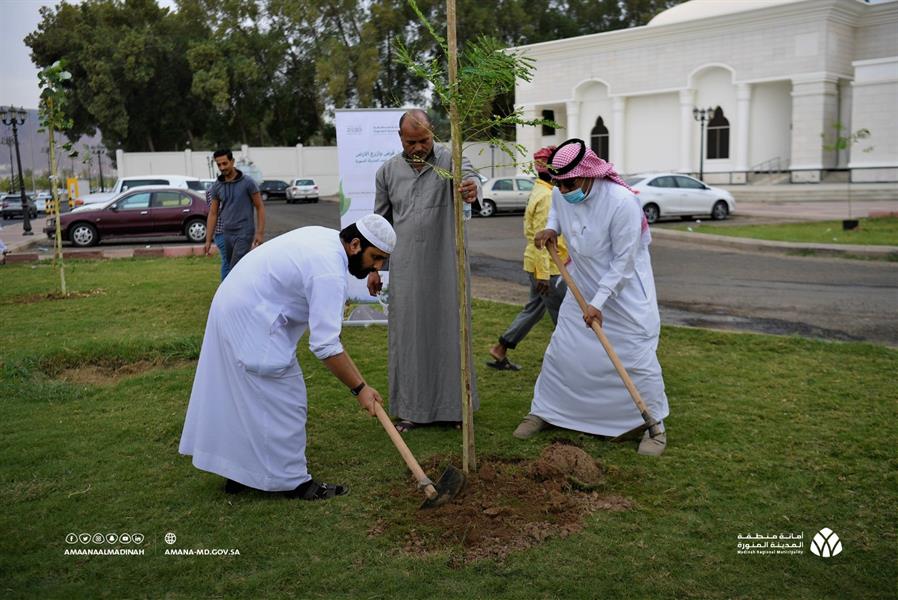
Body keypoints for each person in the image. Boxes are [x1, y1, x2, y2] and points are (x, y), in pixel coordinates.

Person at [180, 214, 395, 499]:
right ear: (355, 245)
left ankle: (241, 475)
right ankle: (294, 483)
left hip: (235, 304)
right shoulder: (329, 271)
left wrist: (363, 385)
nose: (377, 267)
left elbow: (331, 342)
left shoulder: (328, 240)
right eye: (376, 258)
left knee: (247, 399)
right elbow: (325, 346)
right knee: (287, 400)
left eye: (382, 261)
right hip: (249, 315)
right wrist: (360, 389)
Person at [514, 138, 670, 456]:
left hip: (624, 295)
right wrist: (551, 230)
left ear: (589, 175)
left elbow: (623, 262)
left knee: (636, 360)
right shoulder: (561, 193)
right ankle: (546, 411)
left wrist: (598, 302)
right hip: (581, 287)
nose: (563, 190)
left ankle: (653, 425)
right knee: (562, 353)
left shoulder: (622, 203)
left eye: (569, 183)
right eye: (558, 183)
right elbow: (558, 215)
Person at [367, 109, 481, 433]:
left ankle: (456, 409)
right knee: (409, 337)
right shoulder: (387, 172)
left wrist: (471, 188)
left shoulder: (451, 160)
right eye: (411, 142)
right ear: (400, 138)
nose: (418, 148)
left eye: (424, 140)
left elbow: (470, 177)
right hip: (406, 269)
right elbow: (380, 225)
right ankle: (411, 410)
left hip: (447, 264)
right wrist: (375, 268)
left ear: (433, 133)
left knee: (451, 332)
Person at [487, 146, 569, 371]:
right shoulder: (548, 196)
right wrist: (543, 275)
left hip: (539, 265)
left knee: (534, 310)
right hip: (547, 269)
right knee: (565, 318)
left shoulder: (541, 189)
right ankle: (563, 363)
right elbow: (542, 239)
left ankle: (501, 347)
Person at [204, 149, 265, 277]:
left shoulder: (248, 182)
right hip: (227, 233)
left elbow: (260, 207)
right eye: (219, 164)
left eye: (225, 163)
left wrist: (259, 233)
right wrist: (208, 240)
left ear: (232, 161)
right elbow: (213, 213)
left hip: (244, 232)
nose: (222, 167)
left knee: (235, 268)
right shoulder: (217, 186)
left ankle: (232, 290)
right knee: (234, 267)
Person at [204, 185, 228, 279]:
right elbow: (214, 212)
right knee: (228, 263)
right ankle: (226, 286)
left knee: (231, 263)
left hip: (233, 233)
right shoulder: (213, 190)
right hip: (222, 233)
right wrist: (208, 241)